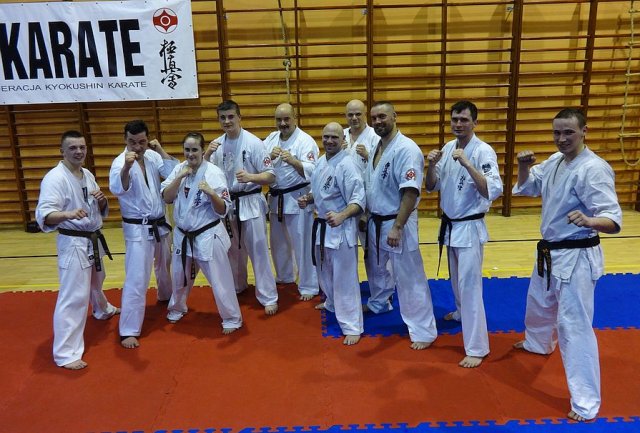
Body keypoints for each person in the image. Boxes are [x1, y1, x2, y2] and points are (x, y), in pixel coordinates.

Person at [513, 108, 622, 422]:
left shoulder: (594, 169)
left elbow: (613, 220)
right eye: (557, 132)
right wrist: (523, 167)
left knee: (573, 327)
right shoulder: (555, 160)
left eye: (568, 133)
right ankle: (537, 344)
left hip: (577, 256)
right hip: (551, 251)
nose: (561, 139)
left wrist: (590, 220)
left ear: (584, 131)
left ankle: (586, 402)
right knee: (539, 302)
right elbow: (529, 187)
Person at [425, 100, 503, 368]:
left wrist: (469, 165)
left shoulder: (483, 151)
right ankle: (460, 313)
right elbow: (431, 187)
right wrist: (430, 166)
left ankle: (477, 347)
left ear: (474, 123)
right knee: (456, 281)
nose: (458, 124)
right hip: (450, 226)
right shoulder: (448, 147)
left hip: (469, 228)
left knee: (470, 287)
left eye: (464, 120)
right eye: (455, 119)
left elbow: (492, 190)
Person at [35, 130, 119, 370]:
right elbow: (45, 215)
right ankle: (66, 353)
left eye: (82, 147)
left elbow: (95, 207)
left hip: (92, 238)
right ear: (62, 151)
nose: (79, 151)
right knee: (73, 296)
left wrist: (102, 201)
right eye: (72, 148)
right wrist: (68, 214)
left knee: (97, 279)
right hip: (73, 242)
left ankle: (102, 309)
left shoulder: (86, 174)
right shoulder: (55, 178)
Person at [363, 101, 438, 350]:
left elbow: (410, 192)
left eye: (382, 116)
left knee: (409, 276)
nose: (377, 122)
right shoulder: (377, 146)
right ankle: (380, 303)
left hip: (397, 221)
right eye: (374, 118)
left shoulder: (407, 149)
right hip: (377, 219)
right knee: (378, 269)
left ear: (395, 116)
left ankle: (423, 330)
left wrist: (397, 226)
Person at [161, 132, 242, 334]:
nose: (190, 154)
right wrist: (178, 178)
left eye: (194, 150)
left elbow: (224, 209)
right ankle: (177, 307)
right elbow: (167, 197)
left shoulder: (214, 173)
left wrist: (212, 194)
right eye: (187, 150)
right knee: (179, 275)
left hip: (208, 234)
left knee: (220, 279)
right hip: (183, 234)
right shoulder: (179, 169)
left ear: (202, 150)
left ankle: (232, 318)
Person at [204, 100, 279, 315]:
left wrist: (251, 177)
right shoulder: (216, 145)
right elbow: (205, 172)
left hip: (251, 200)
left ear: (239, 117)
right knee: (233, 250)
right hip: (228, 203)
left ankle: (268, 296)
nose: (227, 121)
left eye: (231, 117)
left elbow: (271, 175)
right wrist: (206, 155)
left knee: (258, 250)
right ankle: (238, 285)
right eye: (222, 118)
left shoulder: (254, 143)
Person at [109, 120, 178, 349]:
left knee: (165, 265)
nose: (138, 147)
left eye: (142, 142)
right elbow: (118, 189)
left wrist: (160, 149)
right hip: (138, 229)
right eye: (132, 142)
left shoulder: (152, 156)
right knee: (137, 278)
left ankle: (165, 296)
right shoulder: (119, 163)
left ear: (148, 139)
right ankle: (128, 329)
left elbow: (173, 173)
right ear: (125, 140)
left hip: (160, 223)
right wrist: (127, 168)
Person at [298, 122, 365, 345]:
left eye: (334, 137)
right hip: (322, 227)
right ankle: (332, 303)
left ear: (342, 139)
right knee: (324, 271)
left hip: (341, 229)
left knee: (345, 278)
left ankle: (353, 325)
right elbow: (318, 191)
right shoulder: (321, 161)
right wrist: (308, 198)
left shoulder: (348, 165)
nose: (329, 141)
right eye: (326, 136)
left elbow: (359, 200)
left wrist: (342, 215)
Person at [264, 103, 320, 301]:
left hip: (298, 199)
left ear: (294, 118)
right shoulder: (271, 139)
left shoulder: (305, 141)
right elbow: (259, 164)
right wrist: (268, 157)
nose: (283, 123)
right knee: (278, 243)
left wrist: (294, 161)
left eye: (286, 119)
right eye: (279, 119)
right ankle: (285, 275)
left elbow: (314, 170)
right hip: (276, 199)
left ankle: (309, 285)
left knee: (302, 243)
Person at [343, 99, 379, 174]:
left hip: (366, 181)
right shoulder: (340, 135)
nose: (354, 118)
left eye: (358, 114)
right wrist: (337, 152)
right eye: (350, 115)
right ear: (346, 116)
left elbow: (383, 165)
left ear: (365, 115)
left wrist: (367, 155)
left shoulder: (375, 136)